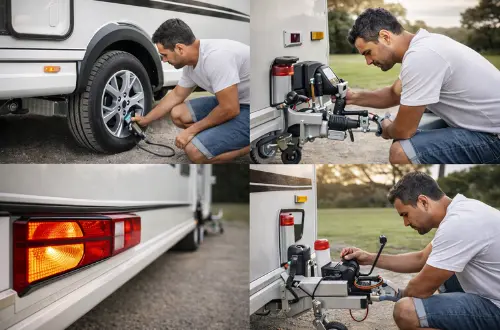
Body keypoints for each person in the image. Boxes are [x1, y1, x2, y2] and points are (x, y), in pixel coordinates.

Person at [341, 172, 500, 330]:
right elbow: (421, 259)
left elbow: (420, 289)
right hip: (492, 294)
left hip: (496, 307)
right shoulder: (463, 210)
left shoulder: (459, 224)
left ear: (423, 202)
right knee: (440, 270)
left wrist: (396, 293)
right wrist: (369, 258)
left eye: (405, 214)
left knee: (406, 311)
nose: (405, 222)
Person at [345, 8, 500, 164]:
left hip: (494, 137)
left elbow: (403, 130)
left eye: (368, 52)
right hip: (486, 126)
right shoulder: (426, 45)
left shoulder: (421, 56)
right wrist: (352, 98)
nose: (368, 61)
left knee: (400, 152)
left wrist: (386, 128)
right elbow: (394, 94)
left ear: (385, 37)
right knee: (395, 120)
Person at [132, 18, 250, 163]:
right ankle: (220, 135)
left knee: (194, 152)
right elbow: (176, 95)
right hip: (233, 101)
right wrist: (145, 120)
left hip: (251, 109)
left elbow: (230, 109)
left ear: (180, 48)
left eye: (164, 55)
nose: (163, 60)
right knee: (178, 113)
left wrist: (191, 131)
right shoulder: (192, 62)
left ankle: (251, 144)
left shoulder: (216, 58)